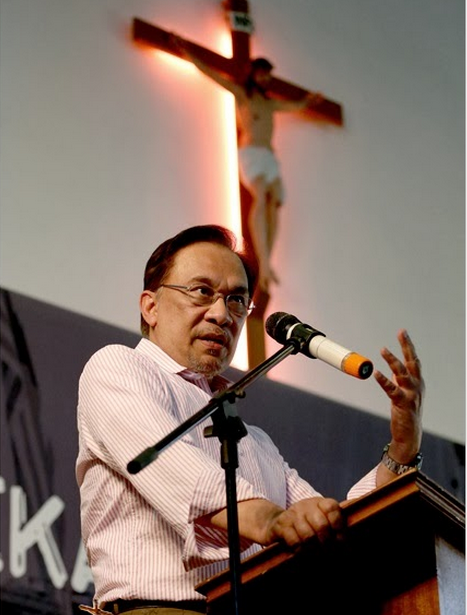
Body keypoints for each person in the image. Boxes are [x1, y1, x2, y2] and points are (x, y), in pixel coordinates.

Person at [76, 224, 424, 615]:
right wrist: (272, 520)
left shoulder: (255, 442)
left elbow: (332, 525)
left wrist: (402, 449)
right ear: (150, 307)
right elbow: (182, 476)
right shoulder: (117, 367)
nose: (222, 314)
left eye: (237, 300)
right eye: (202, 291)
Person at [173, 35, 322, 293]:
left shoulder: (269, 103)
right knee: (261, 196)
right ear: (253, 73)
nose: (265, 78)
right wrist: (189, 54)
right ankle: (262, 261)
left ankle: (267, 260)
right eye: (262, 73)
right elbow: (213, 74)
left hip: (270, 157)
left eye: (268, 75)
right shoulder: (244, 95)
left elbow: (293, 105)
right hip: (252, 153)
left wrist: (309, 102)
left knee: (275, 203)